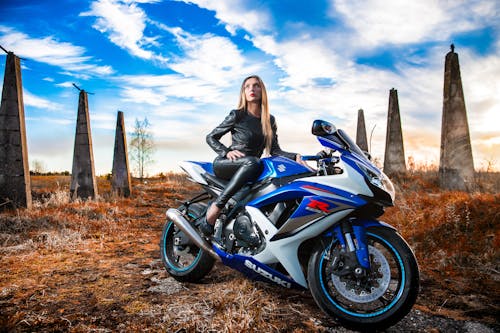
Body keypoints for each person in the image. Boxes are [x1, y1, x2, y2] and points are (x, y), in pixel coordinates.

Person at [200, 75, 309, 236]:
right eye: (247, 86)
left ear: (262, 90)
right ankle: (217, 207)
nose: (252, 89)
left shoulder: (269, 120)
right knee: (254, 162)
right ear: (243, 92)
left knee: (263, 168)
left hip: (251, 167)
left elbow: (275, 151)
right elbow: (211, 137)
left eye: (256, 85)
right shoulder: (237, 115)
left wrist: (296, 156)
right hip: (227, 164)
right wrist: (226, 152)